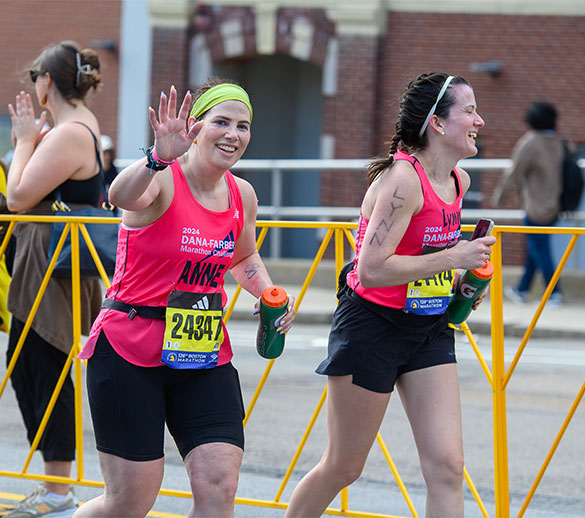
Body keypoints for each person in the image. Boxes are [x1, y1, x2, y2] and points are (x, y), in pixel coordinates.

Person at [75, 79, 296, 518]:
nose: (233, 134)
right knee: (131, 499)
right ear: (194, 127)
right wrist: (156, 158)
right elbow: (117, 196)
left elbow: (244, 254)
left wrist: (269, 293)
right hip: (129, 348)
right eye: (222, 122)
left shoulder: (242, 194)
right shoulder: (162, 181)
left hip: (200, 351)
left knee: (219, 485)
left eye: (243, 125)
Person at [285, 72, 495, 518]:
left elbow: (428, 256)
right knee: (343, 466)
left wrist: (460, 283)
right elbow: (373, 269)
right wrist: (454, 257)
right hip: (372, 329)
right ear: (437, 124)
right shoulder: (404, 180)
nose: (480, 120)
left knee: (447, 467)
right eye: (470, 111)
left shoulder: (459, 181)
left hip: (429, 328)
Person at [5, 41, 104, 517]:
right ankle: (54, 488)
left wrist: (24, 140)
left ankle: (59, 493)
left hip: (52, 266)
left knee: (44, 365)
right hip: (47, 261)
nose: (33, 88)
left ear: (47, 81)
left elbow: (18, 196)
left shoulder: (71, 132)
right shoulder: (76, 126)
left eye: (35, 79)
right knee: (30, 366)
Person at [491, 101, 564, 307]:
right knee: (534, 247)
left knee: (540, 249)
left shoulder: (531, 142)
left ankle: (554, 292)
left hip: (535, 206)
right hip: (554, 206)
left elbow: (514, 171)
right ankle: (522, 289)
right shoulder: (557, 142)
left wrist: (499, 197)